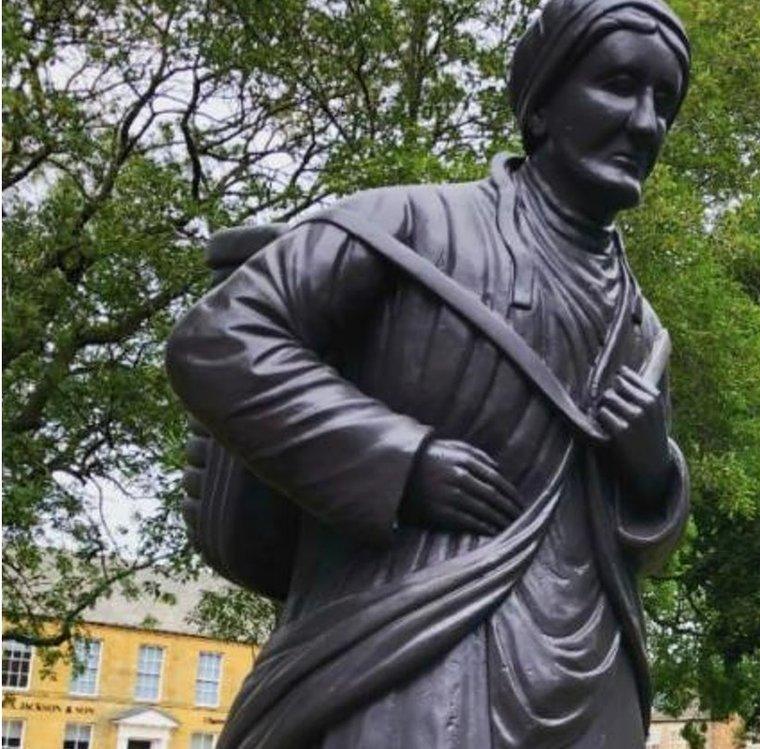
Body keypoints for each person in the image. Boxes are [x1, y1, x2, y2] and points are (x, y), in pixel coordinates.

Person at [166, 0, 692, 745]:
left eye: (663, 102)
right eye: (618, 85)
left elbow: (642, 546)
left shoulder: (643, 328)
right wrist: (399, 460)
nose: (645, 122)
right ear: (541, 105)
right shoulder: (404, 225)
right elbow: (220, 340)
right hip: (406, 656)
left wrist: (652, 473)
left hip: (595, 680)